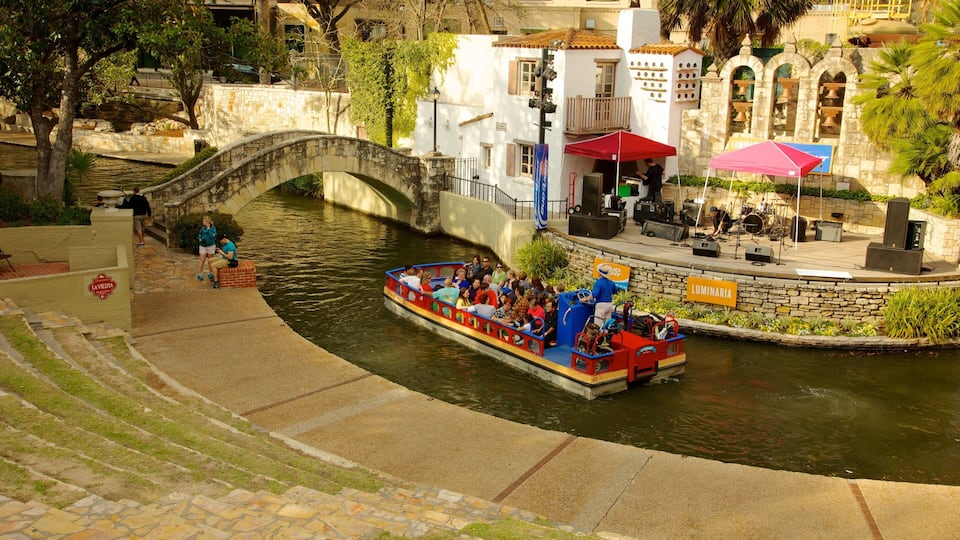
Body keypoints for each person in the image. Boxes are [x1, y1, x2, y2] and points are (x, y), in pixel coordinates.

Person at [196, 215, 217, 281]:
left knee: (210, 260)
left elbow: (212, 237)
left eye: (204, 220)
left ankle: (210, 273)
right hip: (203, 246)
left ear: (208, 221)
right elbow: (199, 235)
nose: (203, 222)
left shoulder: (213, 228)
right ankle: (199, 273)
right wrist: (200, 239)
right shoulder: (202, 228)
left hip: (211, 246)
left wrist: (208, 229)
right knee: (202, 260)